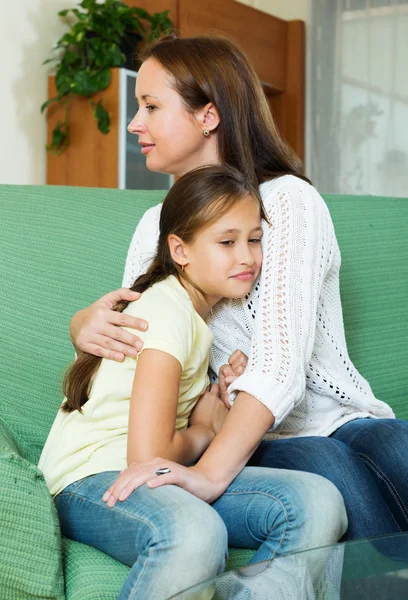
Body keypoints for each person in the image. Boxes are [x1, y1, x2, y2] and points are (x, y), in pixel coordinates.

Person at [70, 34, 408, 548]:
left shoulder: (290, 203)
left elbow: (280, 368)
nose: (135, 124)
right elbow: (150, 345)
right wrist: (83, 328)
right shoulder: (152, 227)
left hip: (331, 416)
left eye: (150, 106)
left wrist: (208, 476)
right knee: (326, 466)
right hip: (246, 434)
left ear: (208, 115)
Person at [39, 165, 347, 600]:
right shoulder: (167, 311)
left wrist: (214, 399)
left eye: (254, 239)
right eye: (227, 242)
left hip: (147, 474)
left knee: (318, 502)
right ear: (180, 250)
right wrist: (204, 431)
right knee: (195, 532)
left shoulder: (196, 318)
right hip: (89, 477)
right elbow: (146, 456)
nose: (247, 257)